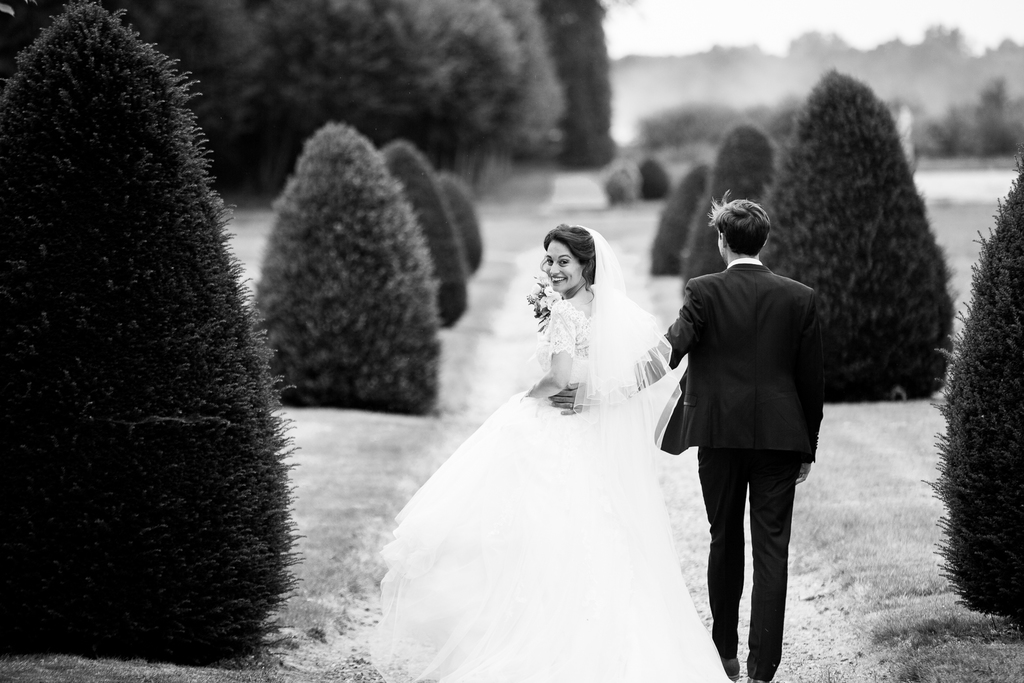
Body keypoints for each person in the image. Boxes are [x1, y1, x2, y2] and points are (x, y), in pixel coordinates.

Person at [374, 225, 733, 683]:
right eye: (550, 260)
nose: (554, 269)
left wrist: (529, 398)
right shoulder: (611, 310)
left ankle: (544, 634)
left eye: (564, 260)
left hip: (562, 430)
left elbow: (559, 378)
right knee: (597, 524)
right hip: (589, 435)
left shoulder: (566, 313)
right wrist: (597, 395)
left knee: (538, 522)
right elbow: (652, 365)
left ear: (586, 265)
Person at [659, 196, 824, 683]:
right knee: (772, 548)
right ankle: (762, 669)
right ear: (764, 240)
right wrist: (807, 446)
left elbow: (672, 348)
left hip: (718, 437)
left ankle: (724, 654)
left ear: (721, 242)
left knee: (723, 538)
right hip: (780, 439)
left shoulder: (702, 290)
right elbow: (811, 382)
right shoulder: (800, 297)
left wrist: (616, 379)